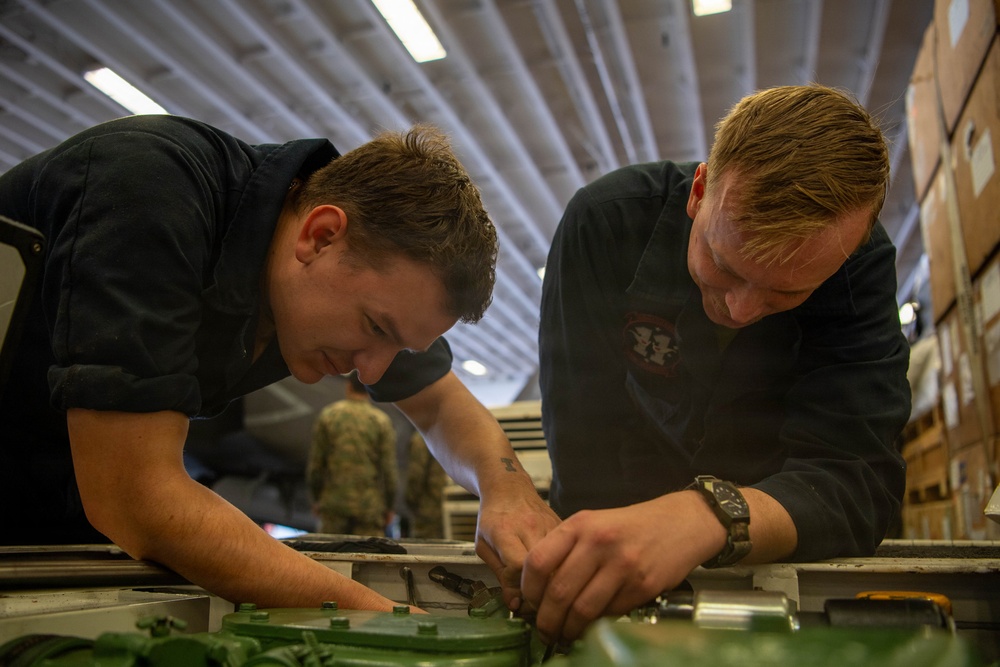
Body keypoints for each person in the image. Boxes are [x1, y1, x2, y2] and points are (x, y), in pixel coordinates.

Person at [0, 116, 559, 611]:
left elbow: (439, 404)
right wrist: (384, 617)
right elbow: (136, 496)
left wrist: (506, 491)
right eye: (376, 329)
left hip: (60, 517)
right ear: (321, 235)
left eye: (398, 348)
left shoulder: (370, 278)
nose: (371, 371)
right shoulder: (150, 191)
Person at [525, 84, 911, 642]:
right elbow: (583, 442)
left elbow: (856, 481)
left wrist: (712, 514)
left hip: (779, 558)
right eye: (724, 266)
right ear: (699, 191)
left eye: (786, 294)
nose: (740, 309)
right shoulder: (605, 223)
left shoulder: (859, 266)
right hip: (630, 536)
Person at [307, 372, 398, 536]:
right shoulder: (381, 421)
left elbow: (316, 466)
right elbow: (389, 470)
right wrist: (389, 507)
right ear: (370, 390)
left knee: (330, 557)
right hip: (369, 507)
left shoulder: (329, 415)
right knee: (369, 558)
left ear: (348, 386)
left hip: (334, 505)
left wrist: (317, 499)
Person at [404, 431, 449, 538]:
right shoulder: (453, 433)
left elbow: (415, 476)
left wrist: (410, 500)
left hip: (428, 510)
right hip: (452, 507)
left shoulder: (423, 437)